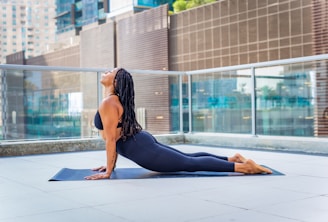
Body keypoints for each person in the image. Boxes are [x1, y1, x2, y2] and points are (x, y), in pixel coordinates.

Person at [85, 68, 272, 180]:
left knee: (188, 163)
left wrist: (109, 170)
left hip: (141, 148)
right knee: (187, 157)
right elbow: (115, 136)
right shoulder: (113, 100)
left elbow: (111, 139)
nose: (105, 72)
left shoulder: (108, 102)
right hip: (140, 142)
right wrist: (110, 165)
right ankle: (233, 159)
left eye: (110, 72)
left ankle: (244, 168)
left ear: (115, 81)